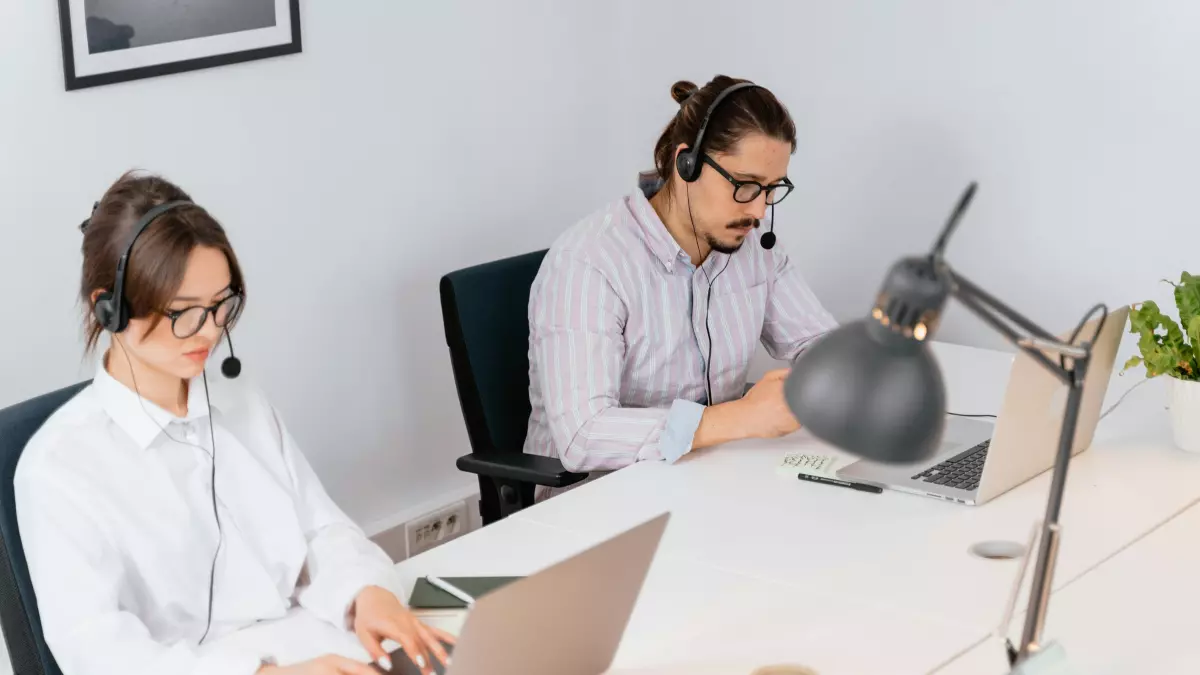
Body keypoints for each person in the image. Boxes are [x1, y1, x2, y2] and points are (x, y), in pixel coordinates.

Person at [15, 172, 451, 675]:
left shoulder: (239, 399)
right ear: (109, 310)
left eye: (221, 304)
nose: (210, 331)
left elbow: (322, 528)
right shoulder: (58, 469)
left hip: (324, 650)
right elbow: (101, 655)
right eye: (183, 313)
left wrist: (367, 593)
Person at [525, 76, 837, 494]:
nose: (759, 210)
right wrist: (740, 417)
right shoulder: (589, 263)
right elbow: (583, 435)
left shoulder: (753, 251)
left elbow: (818, 343)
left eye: (771, 189)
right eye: (744, 186)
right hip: (597, 506)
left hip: (704, 483)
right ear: (685, 163)